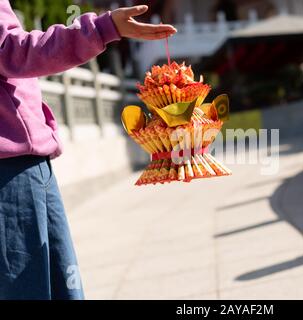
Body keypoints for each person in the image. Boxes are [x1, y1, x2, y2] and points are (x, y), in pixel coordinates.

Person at [0, 1, 176, 300]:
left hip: (27, 163)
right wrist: (102, 29)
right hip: (11, 172)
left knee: (62, 286)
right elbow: (11, 51)